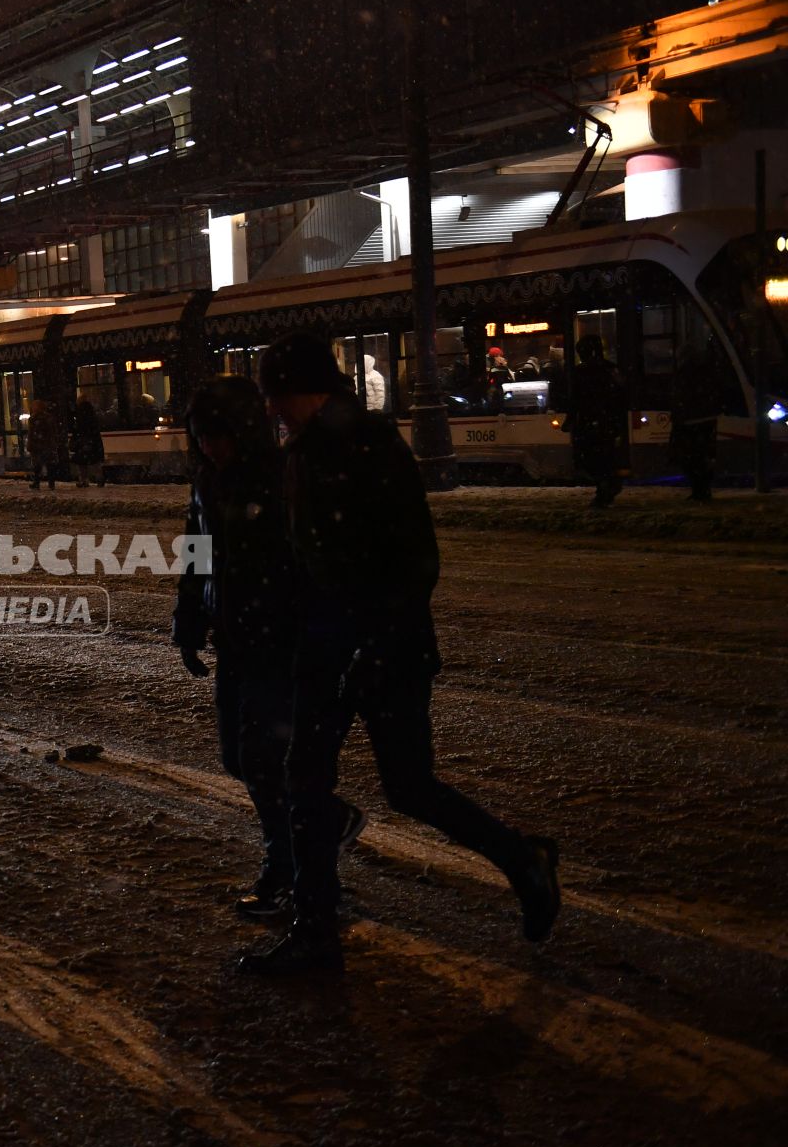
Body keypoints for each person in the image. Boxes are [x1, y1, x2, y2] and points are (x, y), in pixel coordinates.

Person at [245, 334, 559, 975]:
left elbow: (413, 561)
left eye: (278, 397)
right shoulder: (306, 451)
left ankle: (523, 859)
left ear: (307, 390)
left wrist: (375, 639)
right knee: (306, 785)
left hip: (382, 648)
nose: (274, 411)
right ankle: (315, 933)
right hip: (332, 647)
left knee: (407, 788)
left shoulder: (364, 447)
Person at [173, 376, 364, 919]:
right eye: (201, 437)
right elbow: (196, 554)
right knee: (240, 757)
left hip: (277, 643)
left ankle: (288, 869)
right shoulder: (210, 480)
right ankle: (322, 825)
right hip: (237, 639)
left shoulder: (279, 480)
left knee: (262, 759)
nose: (208, 446)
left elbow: (311, 565)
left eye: (215, 435)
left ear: (242, 431)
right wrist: (189, 619)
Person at [564, 335, 629, 508]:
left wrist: (570, 419)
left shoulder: (581, 371)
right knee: (605, 456)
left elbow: (575, 399)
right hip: (608, 421)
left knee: (593, 458)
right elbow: (622, 393)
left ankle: (604, 489)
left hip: (590, 422)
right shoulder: (610, 369)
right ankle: (607, 487)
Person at [669, 343, 720, 501]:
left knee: (691, 459)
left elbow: (679, 398)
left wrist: (677, 418)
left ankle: (699, 490)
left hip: (690, 422)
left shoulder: (683, 374)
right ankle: (703, 490)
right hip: (705, 420)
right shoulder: (705, 372)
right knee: (701, 457)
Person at [27, 399, 64, 491]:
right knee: (49, 465)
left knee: (37, 466)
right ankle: (51, 484)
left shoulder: (34, 419)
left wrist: (30, 444)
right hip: (47, 446)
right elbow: (53, 432)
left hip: (39, 446)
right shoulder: (49, 418)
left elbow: (31, 434)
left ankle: (37, 483)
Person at [71, 398, 106, 487]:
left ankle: (84, 480)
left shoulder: (80, 418)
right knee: (95, 462)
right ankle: (99, 479)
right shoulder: (92, 417)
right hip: (92, 442)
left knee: (82, 463)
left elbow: (77, 430)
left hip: (82, 443)